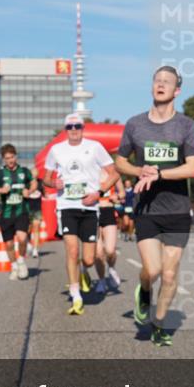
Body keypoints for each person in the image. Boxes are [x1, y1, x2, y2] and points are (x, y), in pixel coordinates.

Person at [114, 66, 194, 347]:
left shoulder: (186, 125)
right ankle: (144, 291)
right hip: (147, 209)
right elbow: (120, 161)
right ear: (152, 87)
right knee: (152, 271)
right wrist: (139, 170)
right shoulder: (135, 124)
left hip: (176, 209)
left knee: (170, 272)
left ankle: (160, 325)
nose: (161, 84)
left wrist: (160, 174)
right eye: (157, 80)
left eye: (167, 82)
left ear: (177, 90)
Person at [44, 114, 118, 316]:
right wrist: (53, 183)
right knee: (72, 250)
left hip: (90, 208)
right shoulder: (56, 150)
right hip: (66, 206)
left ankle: (84, 272)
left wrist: (99, 192)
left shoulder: (94, 147)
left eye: (77, 126)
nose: (74, 129)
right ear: (65, 128)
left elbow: (114, 172)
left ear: (83, 128)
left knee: (89, 259)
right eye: (69, 126)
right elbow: (46, 179)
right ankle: (75, 293)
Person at [0, 145, 37, 280]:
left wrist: (30, 191)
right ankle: (14, 266)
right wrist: (0, 190)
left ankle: (21, 261)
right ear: (3, 159)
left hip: (22, 211)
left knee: (22, 238)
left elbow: (33, 183)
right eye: (7, 158)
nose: (10, 160)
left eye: (12, 157)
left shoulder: (24, 171)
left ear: (16, 157)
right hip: (6, 213)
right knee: (9, 244)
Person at [94, 175, 125, 294]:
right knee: (98, 254)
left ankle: (111, 268)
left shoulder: (113, 173)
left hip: (108, 212)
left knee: (110, 250)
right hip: (92, 213)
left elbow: (122, 193)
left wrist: (117, 196)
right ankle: (101, 281)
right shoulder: (89, 168)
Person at [27, 174, 43, 258]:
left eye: (35, 175)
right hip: (27, 209)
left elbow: (44, 194)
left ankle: (35, 250)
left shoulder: (40, 184)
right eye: (32, 175)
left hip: (37, 210)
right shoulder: (26, 184)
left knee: (36, 228)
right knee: (27, 229)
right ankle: (29, 243)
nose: (34, 176)